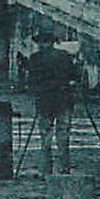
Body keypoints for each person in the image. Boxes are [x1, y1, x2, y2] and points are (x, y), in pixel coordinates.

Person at [25, 30, 79, 175]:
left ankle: (46, 170)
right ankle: (63, 168)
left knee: (46, 137)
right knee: (63, 136)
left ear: (49, 42)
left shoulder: (35, 58)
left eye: (43, 42)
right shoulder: (64, 56)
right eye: (40, 42)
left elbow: (31, 81)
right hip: (63, 101)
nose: (41, 45)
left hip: (45, 102)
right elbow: (74, 76)